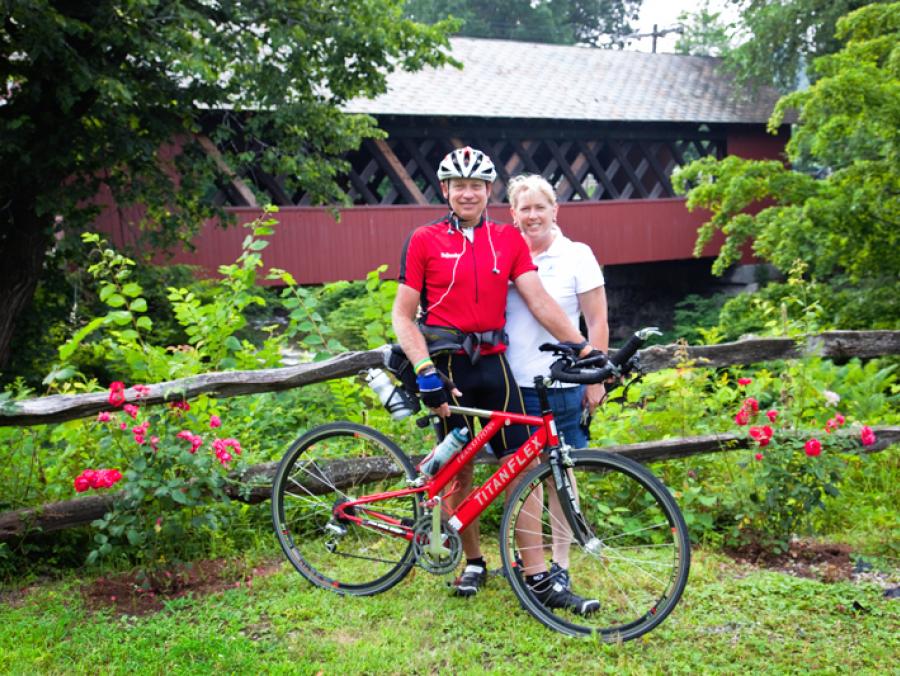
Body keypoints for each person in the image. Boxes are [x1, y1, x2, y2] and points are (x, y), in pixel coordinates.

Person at [391, 147, 600, 614]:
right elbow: (402, 317)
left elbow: (541, 301)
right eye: (458, 185)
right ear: (445, 191)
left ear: (489, 192)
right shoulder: (424, 238)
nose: (468, 193)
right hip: (447, 367)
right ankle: (473, 560)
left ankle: (538, 577)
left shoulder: (507, 240)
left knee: (521, 470)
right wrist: (425, 373)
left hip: (495, 364)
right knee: (457, 470)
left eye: (477, 185)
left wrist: (587, 350)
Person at [505, 173, 609, 592]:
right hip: (512, 383)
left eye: (539, 207)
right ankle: (534, 566)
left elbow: (598, 319)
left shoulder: (577, 255)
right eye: (524, 208)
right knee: (521, 477)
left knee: (560, 475)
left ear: (555, 210)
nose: (533, 216)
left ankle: (561, 561)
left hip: (563, 383)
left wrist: (594, 378)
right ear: (514, 214)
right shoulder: (506, 253)